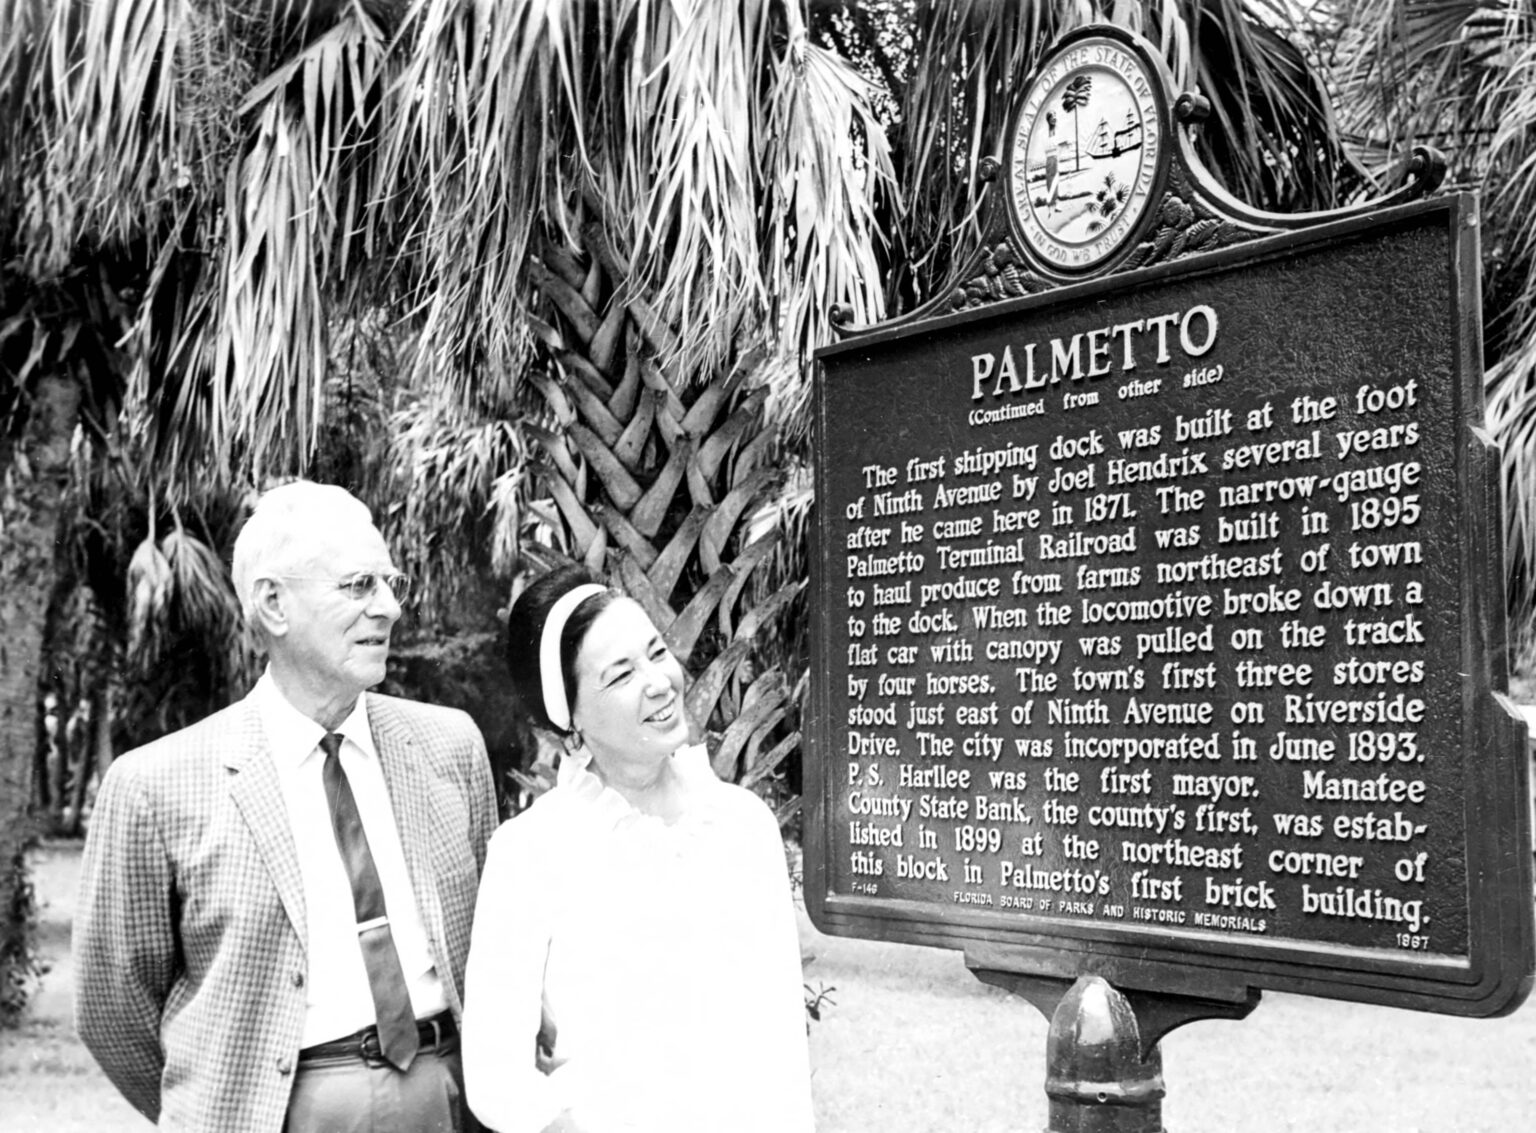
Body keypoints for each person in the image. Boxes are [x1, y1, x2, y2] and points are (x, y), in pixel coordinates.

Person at [75, 480, 499, 1132]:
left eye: (391, 582)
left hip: (446, 1097)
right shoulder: (155, 785)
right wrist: (222, 1102)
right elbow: (114, 1008)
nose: (388, 607)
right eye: (359, 585)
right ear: (273, 602)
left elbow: (489, 947)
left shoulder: (450, 747)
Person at [463, 566, 814, 1132]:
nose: (658, 682)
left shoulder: (742, 825)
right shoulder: (529, 851)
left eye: (656, 652)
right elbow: (493, 1073)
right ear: (570, 716)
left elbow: (781, 1050)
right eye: (620, 674)